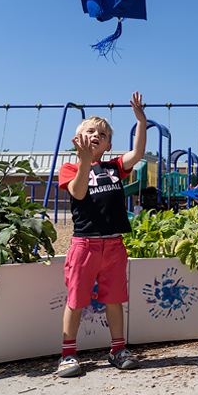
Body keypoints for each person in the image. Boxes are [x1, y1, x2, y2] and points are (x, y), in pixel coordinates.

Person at [55, 92, 149, 377]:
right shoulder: (70, 168)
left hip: (114, 245)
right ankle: (68, 354)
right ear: (78, 139)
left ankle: (117, 349)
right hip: (85, 245)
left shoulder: (114, 168)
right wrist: (84, 162)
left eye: (103, 133)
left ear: (109, 145)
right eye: (90, 131)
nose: (97, 134)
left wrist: (141, 121)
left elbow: (138, 153)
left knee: (114, 299)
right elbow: (79, 192)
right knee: (76, 300)